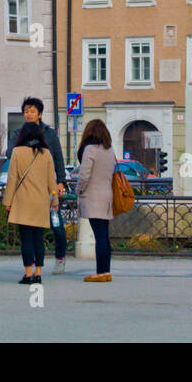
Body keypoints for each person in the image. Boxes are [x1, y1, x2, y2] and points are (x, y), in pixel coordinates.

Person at [9, 97, 68, 273]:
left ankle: (60, 256)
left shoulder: (49, 133)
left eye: (32, 111)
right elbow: (9, 153)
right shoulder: (18, 132)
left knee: (56, 225)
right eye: (26, 111)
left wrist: (61, 181)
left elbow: (58, 159)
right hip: (26, 189)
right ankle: (33, 265)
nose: (28, 114)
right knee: (30, 232)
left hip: (46, 187)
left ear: (40, 114)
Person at [3, 120, 57, 285]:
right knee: (38, 238)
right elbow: (51, 180)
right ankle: (39, 273)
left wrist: (8, 201)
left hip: (23, 201)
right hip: (41, 202)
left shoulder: (17, 152)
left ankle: (28, 274)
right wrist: (54, 200)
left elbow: (12, 178)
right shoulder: (46, 153)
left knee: (26, 239)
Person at [76, 119, 117, 283]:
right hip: (107, 195)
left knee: (99, 235)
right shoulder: (109, 150)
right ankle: (106, 270)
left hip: (93, 196)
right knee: (104, 236)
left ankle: (101, 272)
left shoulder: (90, 149)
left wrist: (78, 189)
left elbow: (84, 174)